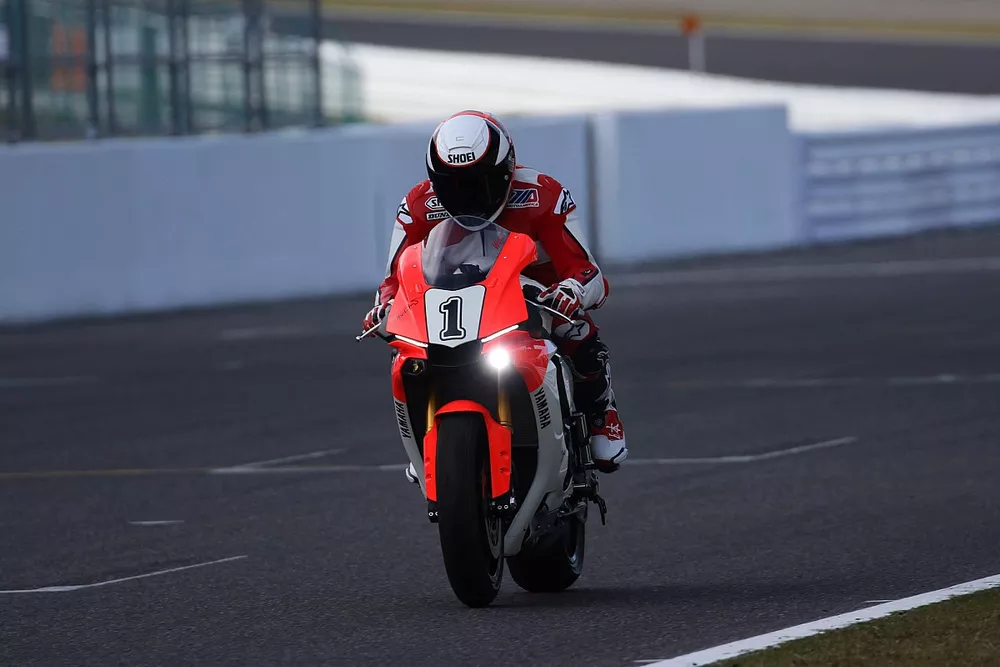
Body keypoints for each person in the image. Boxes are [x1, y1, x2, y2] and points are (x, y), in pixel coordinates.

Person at [363, 110, 628, 478]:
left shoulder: (542, 195)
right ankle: (427, 440)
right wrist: (384, 306)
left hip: (535, 294)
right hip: (454, 296)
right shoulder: (418, 206)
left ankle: (600, 410)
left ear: (506, 170)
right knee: (409, 353)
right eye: (452, 185)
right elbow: (395, 276)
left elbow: (585, 269)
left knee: (576, 332)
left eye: (478, 184)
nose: (466, 197)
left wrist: (571, 290)